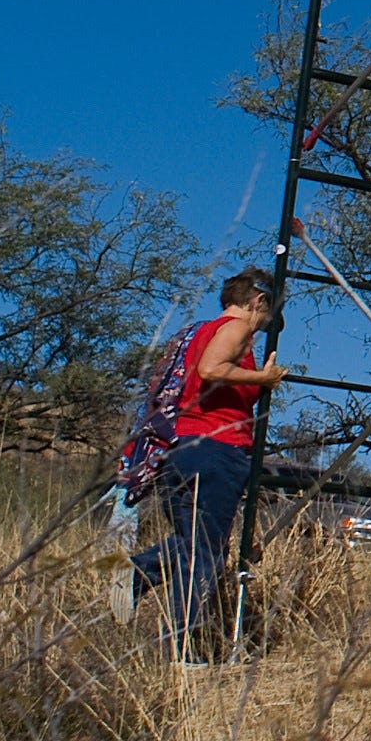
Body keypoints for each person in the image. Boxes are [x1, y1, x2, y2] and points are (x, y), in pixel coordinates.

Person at [121, 272, 287, 654]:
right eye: (267, 317)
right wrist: (262, 377)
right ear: (258, 302)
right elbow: (211, 369)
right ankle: (174, 637)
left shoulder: (200, 331)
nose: (263, 328)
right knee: (207, 554)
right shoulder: (235, 329)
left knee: (195, 545)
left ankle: (140, 583)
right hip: (216, 450)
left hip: (181, 450)